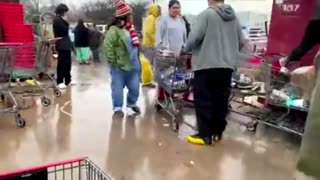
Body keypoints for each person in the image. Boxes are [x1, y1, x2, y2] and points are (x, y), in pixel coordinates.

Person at [183, 0, 244, 145]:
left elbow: (194, 38)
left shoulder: (206, 15)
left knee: (204, 99)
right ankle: (217, 133)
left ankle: (204, 135)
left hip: (206, 64)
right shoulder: (234, 18)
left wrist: (186, 48)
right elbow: (241, 41)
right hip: (227, 67)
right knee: (220, 100)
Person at [103, 0, 141, 116]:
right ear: (125, 16)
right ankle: (117, 108)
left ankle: (131, 105)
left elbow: (136, 46)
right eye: (130, 14)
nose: (132, 16)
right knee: (117, 88)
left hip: (134, 66)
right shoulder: (114, 30)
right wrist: (114, 62)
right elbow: (107, 47)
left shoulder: (131, 29)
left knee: (135, 88)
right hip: (119, 66)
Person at [155, 0, 187, 102]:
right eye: (174, 8)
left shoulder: (181, 20)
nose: (176, 10)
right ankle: (162, 98)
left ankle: (174, 96)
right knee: (165, 75)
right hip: (166, 55)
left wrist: (184, 49)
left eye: (178, 7)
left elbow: (184, 36)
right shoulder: (163, 19)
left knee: (177, 76)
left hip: (179, 54)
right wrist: (163, 51)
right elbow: (158, 37)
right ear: (169, 9)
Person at [53, 3, 76, 89]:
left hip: (66, 44)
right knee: (62, 64)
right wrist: (66, 21)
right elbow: (63, 30)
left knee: (68, 63)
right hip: (61, 44)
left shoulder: (61, 19)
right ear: (62, 12)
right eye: (65, 12)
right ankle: (59, 81)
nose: (66, 14)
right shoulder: (57, 19)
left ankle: (68, 80)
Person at [141, 4, 161, 88]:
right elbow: (149, 32)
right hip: (149, 45)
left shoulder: (150, 18)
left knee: (148, 64)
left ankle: (147, 81)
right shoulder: (151, 19)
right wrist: (154, 41)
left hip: (148, 44)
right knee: (148, 64)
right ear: (155, 10)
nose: (159, 12)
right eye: (158, 10)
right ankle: (146, 82)